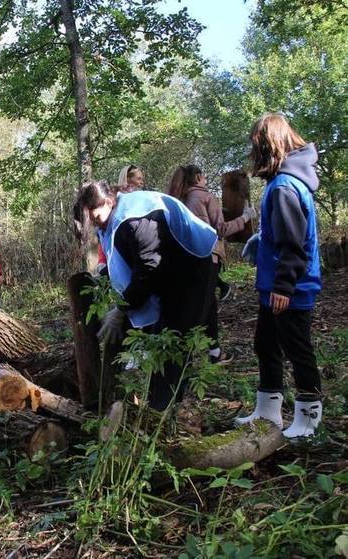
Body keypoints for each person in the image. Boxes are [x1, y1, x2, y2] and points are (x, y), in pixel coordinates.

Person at [74, 182, 217, 411]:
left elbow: (149, 270)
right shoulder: (110, 219)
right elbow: (123, 260)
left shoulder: (135, 220)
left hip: (192, 270)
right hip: (167, 272)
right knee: (159, 335)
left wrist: (121, 310)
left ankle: (163, 410)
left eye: (96, 217)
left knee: (173, 339)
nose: (97, 223)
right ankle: (159, 399)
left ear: (109, 202)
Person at [235, 113, 322, 439]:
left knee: (297, 348)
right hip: (275, 285)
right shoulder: (281, 183)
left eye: (255, 147)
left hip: (291, 288)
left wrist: (284, 285)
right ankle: (268, 411)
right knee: (266, 344)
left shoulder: (285, 187)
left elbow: (295, 245)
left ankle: (308, 419)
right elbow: (283, 233)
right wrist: (262, 241)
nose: (253, 154)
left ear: (267, 147)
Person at [167, 164, 258, 364]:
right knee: (199, 308)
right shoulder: (206, 197)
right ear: (198, 177)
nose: (207, 180)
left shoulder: (179, 199)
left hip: (186, 259)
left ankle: (214, 352)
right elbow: (220, 230)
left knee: (207, 304)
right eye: (205, 176)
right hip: (207, 258)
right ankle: (184, 359)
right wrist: (245, 217)